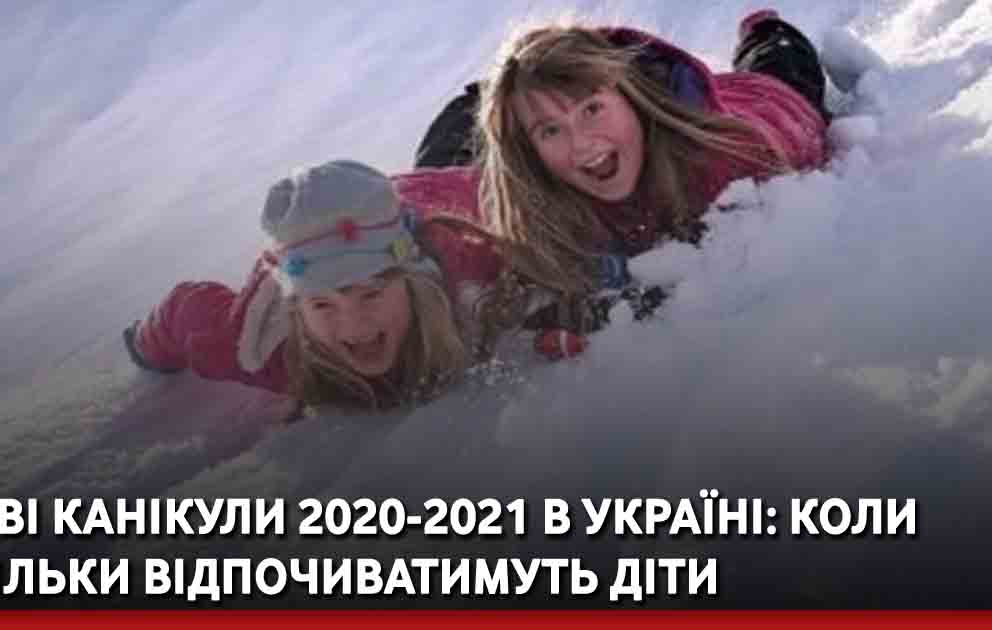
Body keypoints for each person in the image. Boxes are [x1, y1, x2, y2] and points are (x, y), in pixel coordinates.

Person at [416, 10, 830, 305]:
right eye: (550, 130)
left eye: (592, 109)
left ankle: (764, 28)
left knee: (782, 65)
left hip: (762, 98)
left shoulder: (734, 158)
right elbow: (422, 204)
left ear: (630, 99)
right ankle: (482, 101)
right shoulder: (525, 186)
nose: (581, 144)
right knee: (450, 159)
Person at [123, 160, 580, 413]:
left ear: (411, 284)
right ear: (297, 310)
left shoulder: (470, 261)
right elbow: (184, 312)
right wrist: (146, 345)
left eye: (371, 294)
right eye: (323, 305)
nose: (354, 326)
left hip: (452, 189)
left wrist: (563, 306)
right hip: (376, 221)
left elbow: (536, 211)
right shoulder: (268, 347)